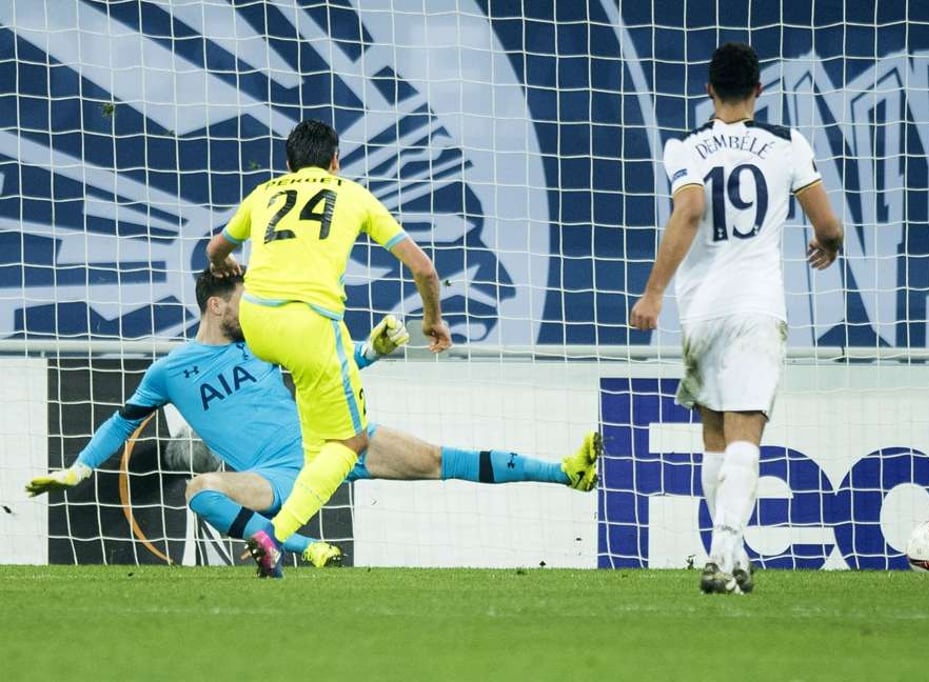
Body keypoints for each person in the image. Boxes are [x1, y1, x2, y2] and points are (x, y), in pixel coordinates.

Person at [26, 269, 602, 573]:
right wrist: (78, 471)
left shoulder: (263, 343)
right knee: (201, 489)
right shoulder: (171, 370)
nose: (252, 308)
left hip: (332, 443)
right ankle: (297, 546)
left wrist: (370, 352)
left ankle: (566, 473)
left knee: (434, 460)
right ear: (217, 305)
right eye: (243, 299)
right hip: (276, 478)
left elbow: (328, 365)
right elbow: (122, 422)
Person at [629, 42, 843, 594]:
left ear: (708, 90)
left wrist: (653, 293)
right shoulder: (787, 144)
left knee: (715, 437)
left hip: (700, 310)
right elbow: (830, 226)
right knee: (747, 431)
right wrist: (828, 243)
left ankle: (731, 554)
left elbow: (691, 206)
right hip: (756, 306)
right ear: (759, 91)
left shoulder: (686, 147)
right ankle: (723, 557)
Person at [206, 119, 453, 577]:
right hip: (307, 324)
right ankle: (274, 536)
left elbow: (216, 248)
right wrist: (432, 319)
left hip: (257, 320)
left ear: (288, 163)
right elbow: (425, 270)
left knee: (321, 444)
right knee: (352, 442)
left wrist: (226, 264)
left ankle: (276, 541)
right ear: (335, 161)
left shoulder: (265, 192)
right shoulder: (352, 195)